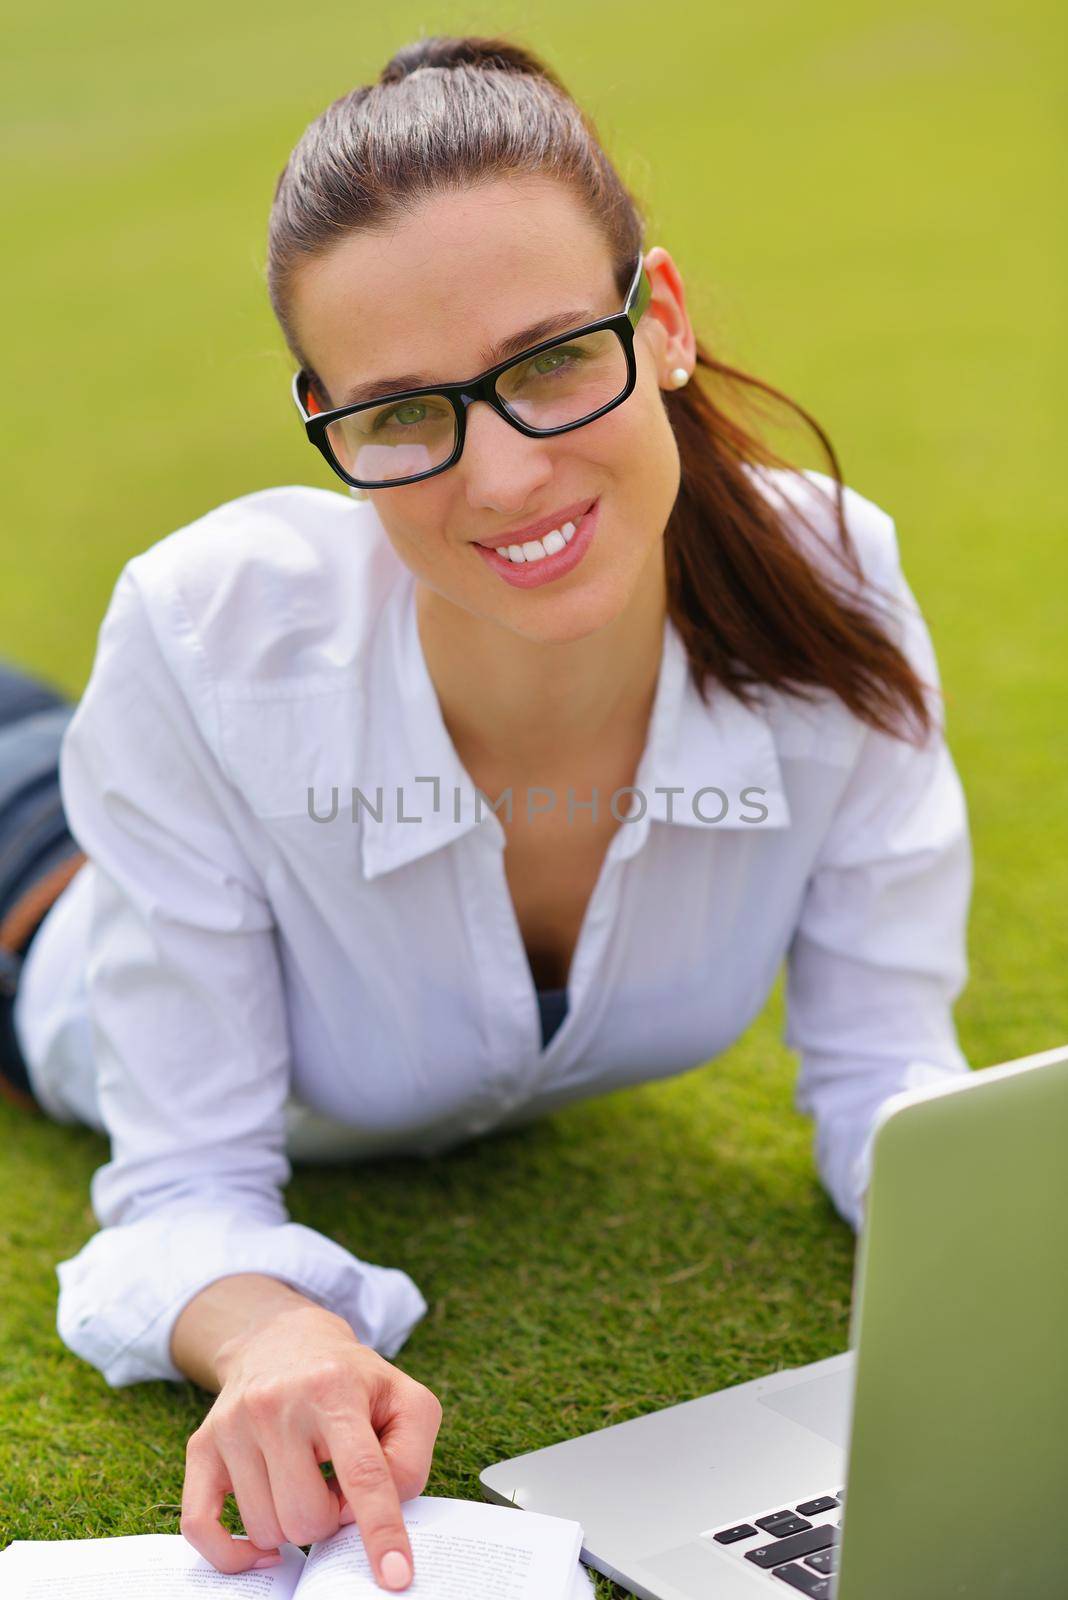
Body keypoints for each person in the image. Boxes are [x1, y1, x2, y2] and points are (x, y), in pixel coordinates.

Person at [0, 30, 973, 1597]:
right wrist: (274, 1330)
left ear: (655, 321)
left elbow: (890, 1082)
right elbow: (180, 1195)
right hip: (29, 885)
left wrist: (1012, 1237)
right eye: (402, 414)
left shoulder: (833, 588)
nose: (506, 476)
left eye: (547, 363)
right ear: (328, 421)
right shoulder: (203, 632)